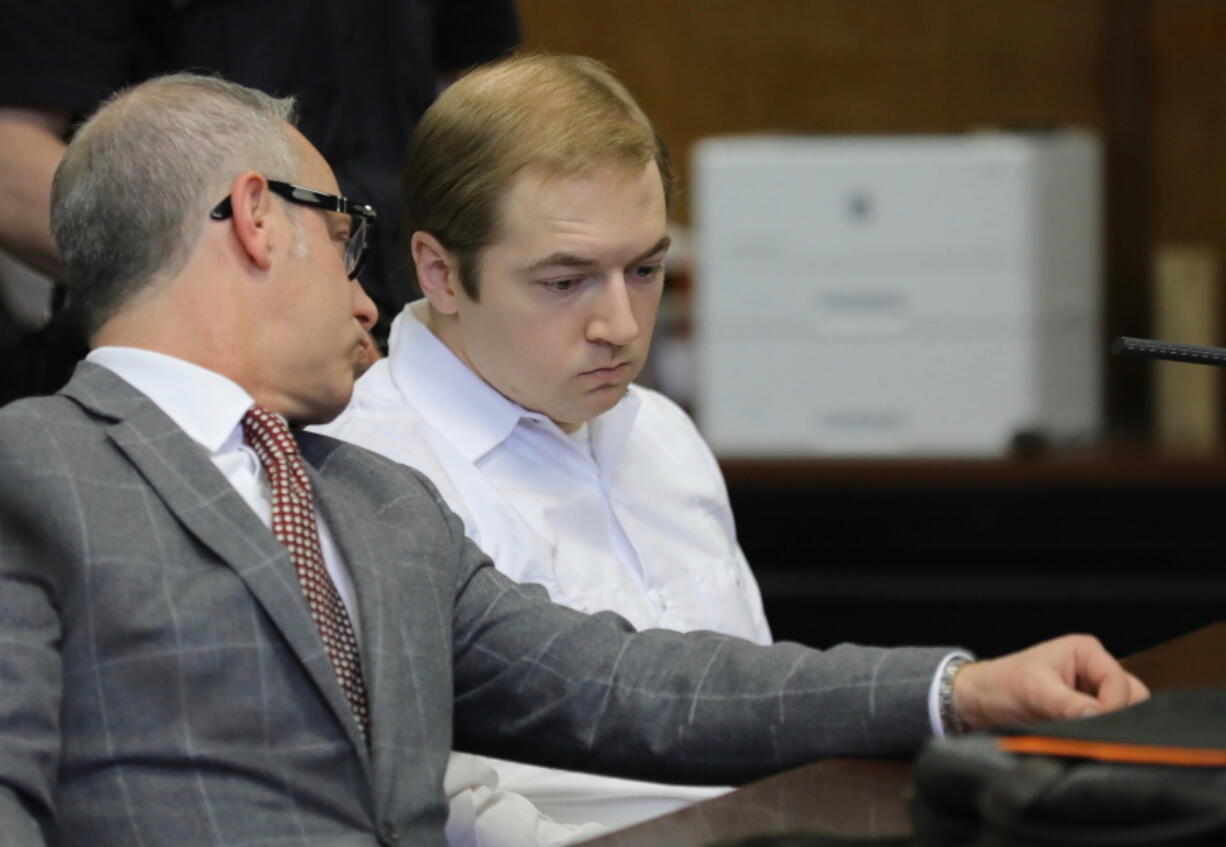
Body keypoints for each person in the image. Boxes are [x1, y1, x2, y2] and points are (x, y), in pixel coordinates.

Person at [0, 72, 1148, 847]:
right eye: (343, 229)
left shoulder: (372, 501)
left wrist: (954, 687)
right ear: (257, 217)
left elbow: (633, 684)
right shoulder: (34, 467)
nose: (364, 288)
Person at [316, 53, 770, 833]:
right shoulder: (362, 466)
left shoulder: (663, 431)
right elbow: (435, 806)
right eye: (566, 281)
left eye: (646, 268)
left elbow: (764, 707)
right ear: (441, 273)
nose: (622, 328)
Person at [0, 0, 519, 401]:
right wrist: (260, 306)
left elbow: (480, 105)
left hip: (426, 333)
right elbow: (10, 163)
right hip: (196, 366)